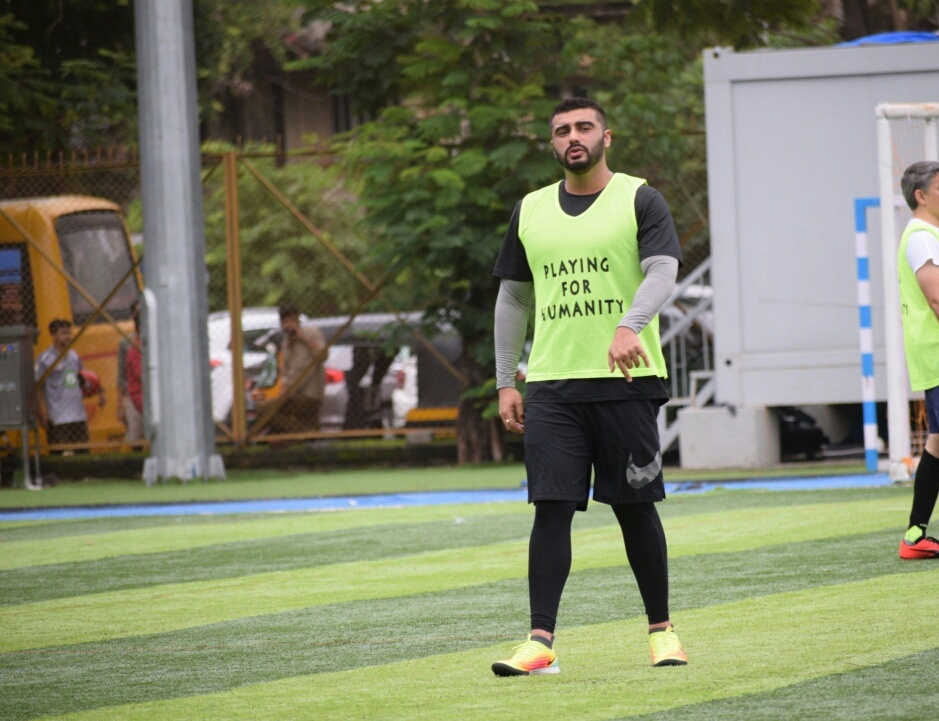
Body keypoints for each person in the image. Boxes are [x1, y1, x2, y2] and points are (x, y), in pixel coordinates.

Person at [490, 97, 687, 675]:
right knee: (550, 509)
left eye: (583, 127)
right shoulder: (529, 210)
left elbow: (663, 269)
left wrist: (630, 325)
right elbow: (513, 298)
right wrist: (506, 380)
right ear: (551, 143)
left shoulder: (639, 197)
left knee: (634, 509)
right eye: (561, 131)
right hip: (551, 385)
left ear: (607, 136)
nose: (573, 137)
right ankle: (539, 643)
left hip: (627, 383)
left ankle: (662, 633)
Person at [897, 160, 939, 559]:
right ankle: (914, 535)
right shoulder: (923, 237)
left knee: (937, 443)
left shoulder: (926, 235)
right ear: (921, 196)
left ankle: (915, 535)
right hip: (938, 355)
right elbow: (936, 297)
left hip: (933, 356)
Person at [35, 319, 106, 452]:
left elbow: (86, 376)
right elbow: (37, 387)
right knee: (61, 455)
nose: (67, 336)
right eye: (63, 333)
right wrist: (41, 415)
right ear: (54, 336)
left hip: (78, 415)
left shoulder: (73, 355)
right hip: (58, 418)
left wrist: (100, 392)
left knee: (83, 453)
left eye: (69, 333)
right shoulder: (45, 359)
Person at [258, 304, 327, 434]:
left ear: (298, 320)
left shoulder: (312, 333)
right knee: (266, 411)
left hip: (310, 393)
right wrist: (283, 388)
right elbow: (284, 370)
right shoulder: (286, 342)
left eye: (292, 320)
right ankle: (307, 434)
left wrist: (304, 339)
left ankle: (305, 433)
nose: (289, 325)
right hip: (292, 393)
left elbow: (323, 355)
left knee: (265, 411)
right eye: (286, 322)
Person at [116, 311, 144, 442]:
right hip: (137, 398)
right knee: (135, 436)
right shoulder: (134, 348)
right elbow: (143, 376)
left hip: (148, 398)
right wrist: (120, 404)